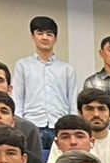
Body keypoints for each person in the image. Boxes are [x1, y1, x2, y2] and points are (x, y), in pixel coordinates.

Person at [13, 17, 77, 148]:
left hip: (60, 126)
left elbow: (73, 101)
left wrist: (72, 128)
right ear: (32, 36)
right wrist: (19, 126)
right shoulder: (23, 65)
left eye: (49, 34)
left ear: (55, 39)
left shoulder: (67, 69)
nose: (44, 37)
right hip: (32, 125)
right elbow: (17, 98)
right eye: (40, 33)